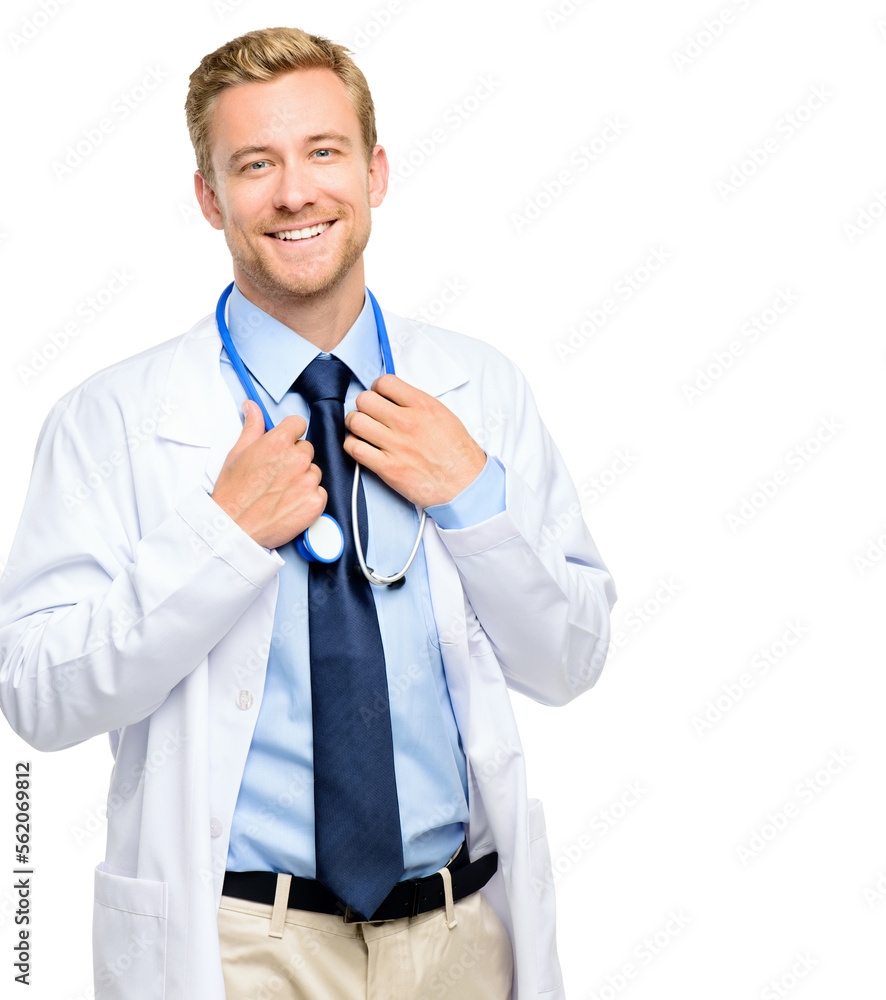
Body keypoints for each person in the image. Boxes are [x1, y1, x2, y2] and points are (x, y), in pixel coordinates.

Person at [0, 26, 615, 1000]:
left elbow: (569, 661)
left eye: (323, 152)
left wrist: (473, 498)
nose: (295, 192)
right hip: (241, 943)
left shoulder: (479, 389)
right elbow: (37, 695)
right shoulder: (109, 419)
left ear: (373, 173)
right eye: (255, 164)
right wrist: (220, 537)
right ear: (210, 196)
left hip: (460, 939)